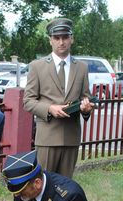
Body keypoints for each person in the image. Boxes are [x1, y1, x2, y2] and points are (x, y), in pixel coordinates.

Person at [23, 17, 94, 178]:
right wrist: (49, 108)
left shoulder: (82, 68)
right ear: (50, 40)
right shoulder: (37, 66)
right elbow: (28, 101)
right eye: (57, 38)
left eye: (65, 37)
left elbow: (85, 98)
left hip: (71, 137)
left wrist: (86, 109)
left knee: (65, 188)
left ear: (72, 39)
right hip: (47, 137)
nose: (61, 42)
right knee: (44, 185)